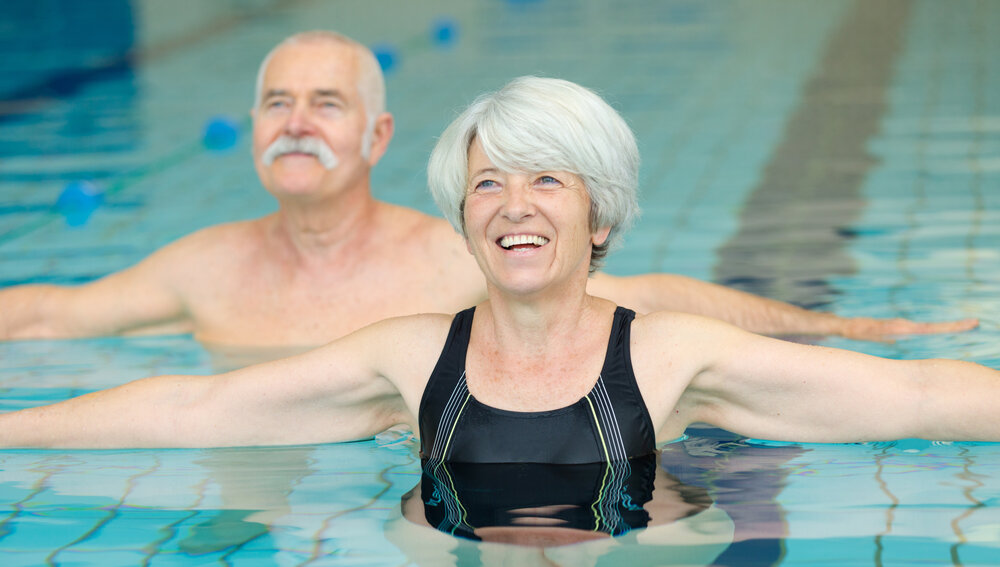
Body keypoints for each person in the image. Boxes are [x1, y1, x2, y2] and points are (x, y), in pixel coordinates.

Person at [2, 76, 998, 459]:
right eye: (487, 187)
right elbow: (190, 412)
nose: (514, 207)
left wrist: (870, 332)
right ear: (463, 221)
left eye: (545, 184)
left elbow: (912, 398)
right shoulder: (402, 358)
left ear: (599, 215)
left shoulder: (670, 356)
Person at [0, 31, 977, 351]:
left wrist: (859, 332)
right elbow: (48, 313)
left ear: (377, 135)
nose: (295, 121)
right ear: (253, 130)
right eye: (277, 104)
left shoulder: (448, 257)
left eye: (325, 103)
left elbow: (658, 301)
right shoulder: (201, 264)